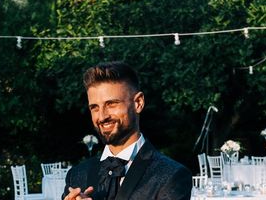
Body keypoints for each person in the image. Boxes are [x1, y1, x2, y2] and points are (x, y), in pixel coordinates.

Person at [63, 61, 192, 200]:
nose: (102, 116)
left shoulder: (171, 175)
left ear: (138, 103)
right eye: (94, 107)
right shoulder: (76, 176)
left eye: (111, 104)